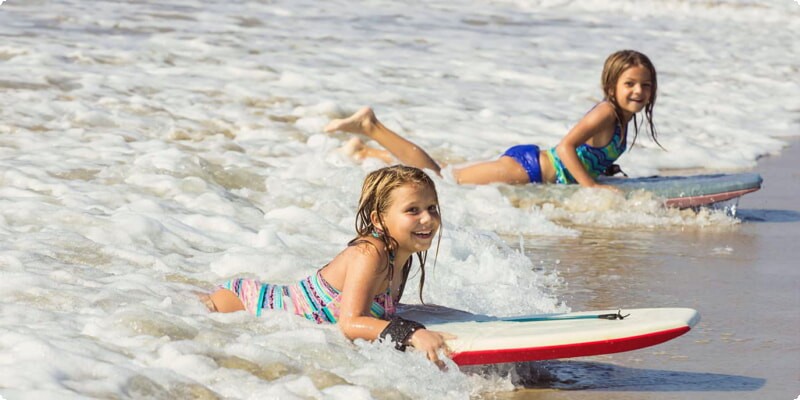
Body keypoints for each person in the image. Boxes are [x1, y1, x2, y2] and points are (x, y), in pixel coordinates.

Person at [201, 165, 453, 367]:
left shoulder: (401, 254)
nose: (427, 218)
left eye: (432, 208)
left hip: (273, 314)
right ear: (379, 220)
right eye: (413, 210)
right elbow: (351, 323)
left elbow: (372, 312)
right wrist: (412, 334)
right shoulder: (370, 253)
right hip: (246, 304)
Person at [325, 50, 661, 191]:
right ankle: (371, 126)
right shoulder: (605, 112)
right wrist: (592, 189)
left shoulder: (623, 118)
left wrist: (601, 171)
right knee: (441, 179)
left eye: (645, 85)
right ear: (611, 86)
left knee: (445, 170)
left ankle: (366, 153)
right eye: (629, 84)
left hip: (532, 167)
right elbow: (566, 147)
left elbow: (588, 154)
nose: (638, 91)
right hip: (527, 169)